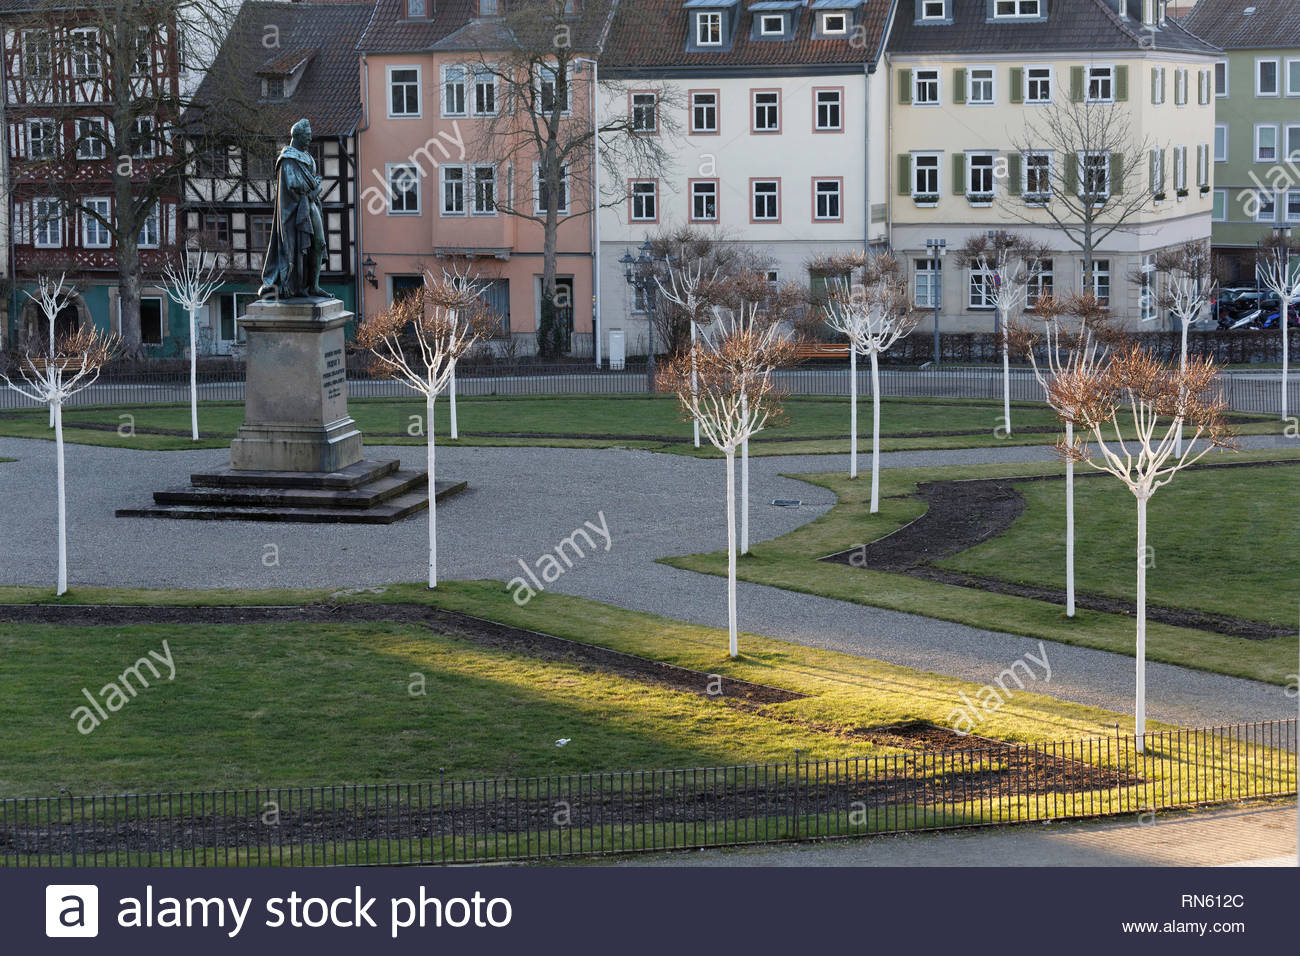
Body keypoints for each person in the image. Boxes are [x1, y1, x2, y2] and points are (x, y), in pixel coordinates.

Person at [257, 118, 328, 299]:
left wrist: (313, 186)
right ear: (297, 136)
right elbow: (294, 184)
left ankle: (314, 285)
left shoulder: (309, 158)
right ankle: (299, 285)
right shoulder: (288, 158)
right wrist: (314, 185)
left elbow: (311, 181)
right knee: (300, 249)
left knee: (318, 244)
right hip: (295, 210)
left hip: (310, 205)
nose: (310, 140)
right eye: (307, 136)